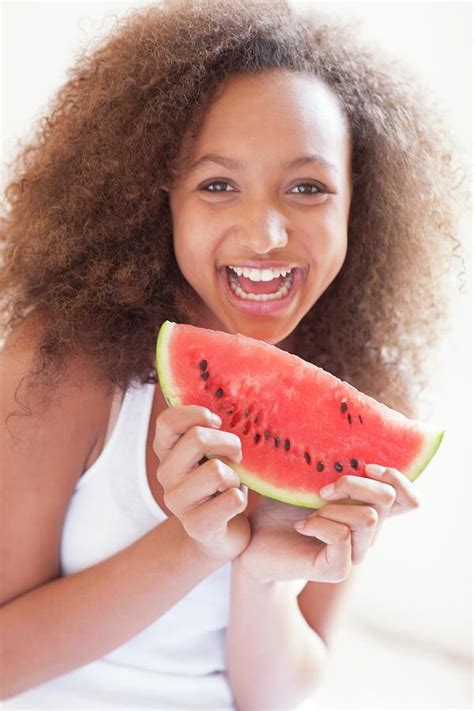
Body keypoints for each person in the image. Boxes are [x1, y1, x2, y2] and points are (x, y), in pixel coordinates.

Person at [0, 0, 466, 709]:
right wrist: (194, 545)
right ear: (162, 201)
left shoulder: (350, 394)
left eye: (308, 188)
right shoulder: (64, 361)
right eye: (218, 185)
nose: (267, 233)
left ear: (356, 208)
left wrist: (261, 574)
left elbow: (272, 697)